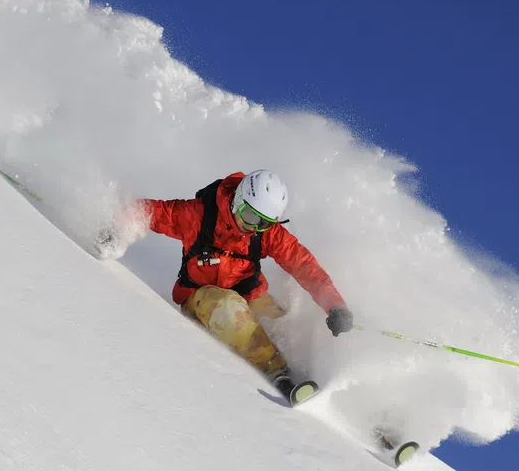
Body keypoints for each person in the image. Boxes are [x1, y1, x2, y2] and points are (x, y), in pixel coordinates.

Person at [95, 170, 354, 403]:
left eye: (263, 223)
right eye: (250, 216)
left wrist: (336, 306)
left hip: (250, 296)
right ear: (239, 199)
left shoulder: (263, 233)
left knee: (283, 324)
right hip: (202, 299)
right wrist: (117, 228)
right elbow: (150, 212)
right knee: (230, 310)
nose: (253, 227)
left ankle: (343, 399)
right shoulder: (199, 216)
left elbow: (304, 265)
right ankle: (279, 374)